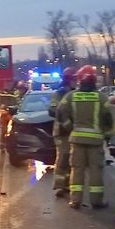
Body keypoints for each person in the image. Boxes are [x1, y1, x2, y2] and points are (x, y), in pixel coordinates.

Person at [57, 65, 114, 209]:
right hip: (95, 141)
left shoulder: (71, 96)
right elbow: (108, 118)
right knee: (96, 170)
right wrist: (106, 134)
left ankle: (75, 200)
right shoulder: (101, 98)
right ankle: (96, 201)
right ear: (94, 80)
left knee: (77, 170)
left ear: (80, 80)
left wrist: (69, 126)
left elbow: (59, 111)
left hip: (77, 140)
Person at [48, 67, 77, 197]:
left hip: (73, 130)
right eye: (74, 79)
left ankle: (69, 184)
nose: (76, 81)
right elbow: (52, 110)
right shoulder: (59, 93)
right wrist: (65, 115)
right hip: (62, 131)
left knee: (73, 159)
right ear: (68, 79)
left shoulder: (76, 93)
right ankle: (60, 185)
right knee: (63, 158)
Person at [0, 81, 21, 151]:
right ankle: (2, 144)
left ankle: (13, 144)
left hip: (13, 113)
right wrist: (2, 106)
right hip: (5, 114)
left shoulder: (16, 92)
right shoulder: (1, 93)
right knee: (4, 130)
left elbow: (18, 101)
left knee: (14, 130)